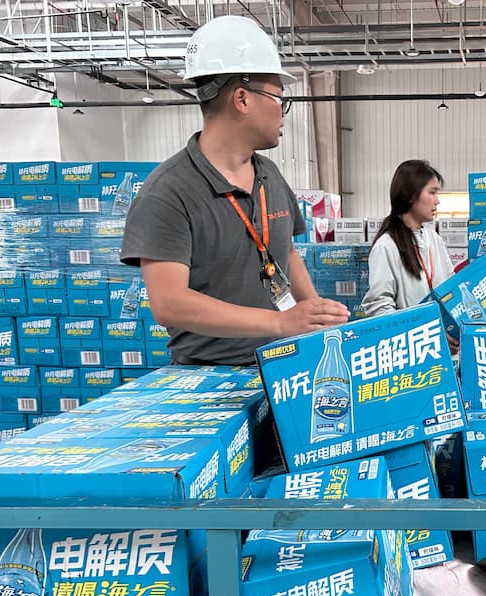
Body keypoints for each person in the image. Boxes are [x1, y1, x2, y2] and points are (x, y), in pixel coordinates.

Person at [120, 15, 348, 366]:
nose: (283, 112)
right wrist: (279, 322)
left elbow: (285, 252)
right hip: (210, 377)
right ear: (242, 99)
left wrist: (314, 315)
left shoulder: (269, 174)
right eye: (279, 98)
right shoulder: (167, 192)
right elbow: (169, 303)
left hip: (281, 363)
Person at [361, 160, 456, 317]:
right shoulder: (386, 247)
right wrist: (414, 327)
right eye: (432, 192)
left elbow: (451, 285)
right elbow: (379, 306)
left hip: (443, 330)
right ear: (411, 195)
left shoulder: (434, 239)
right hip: (416, 332)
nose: (437, 201)